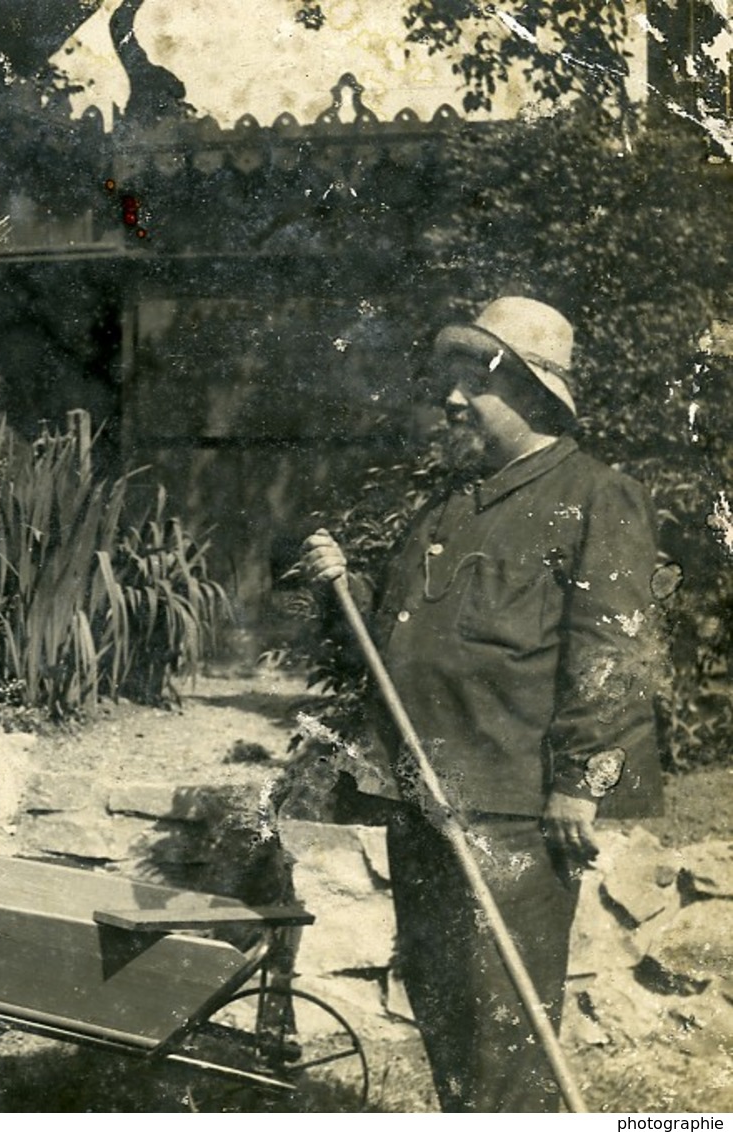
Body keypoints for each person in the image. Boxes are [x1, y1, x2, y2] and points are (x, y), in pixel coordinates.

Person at [300, 296, 667, 1112]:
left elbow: (616, 648)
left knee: (505, 1024)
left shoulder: (596, 495)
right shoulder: (450, 507)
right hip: (427, 796)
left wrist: (581, 778)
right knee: (444, 1007)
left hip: (512, 808)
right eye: (451, 382)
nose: (453, 399)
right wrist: (343, 591)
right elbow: (406, 635)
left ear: (536, 394)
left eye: (478, 384)